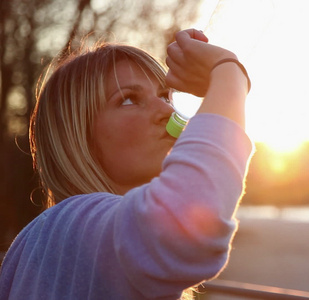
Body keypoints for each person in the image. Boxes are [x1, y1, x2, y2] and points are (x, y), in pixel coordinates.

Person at [0, 28, 253, 299]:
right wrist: (228, 73)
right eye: (129, 99)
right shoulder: (77, 224)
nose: (168, 111)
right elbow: (186, 231)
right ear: (79, 136)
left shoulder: (47, 236)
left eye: (165, 96)